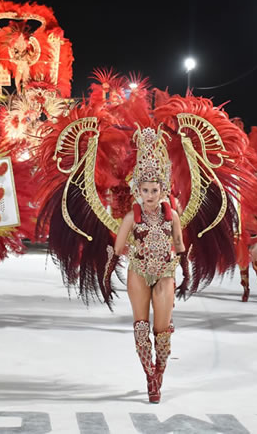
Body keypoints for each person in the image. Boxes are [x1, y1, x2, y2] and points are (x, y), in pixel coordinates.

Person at [105, 128, 188, 404]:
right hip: (138, 272)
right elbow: (117, 249)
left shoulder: (172, 216)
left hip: (164, 274)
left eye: (154, 190)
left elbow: (179, 245)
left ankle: (160, 370)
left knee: (162, 331)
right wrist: (106, 278)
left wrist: (186, 273)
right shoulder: (131, 217)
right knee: (141, 327)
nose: (150, 195)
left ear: (163, 190)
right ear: (137, 190)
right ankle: (149, 376)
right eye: (145, 190)